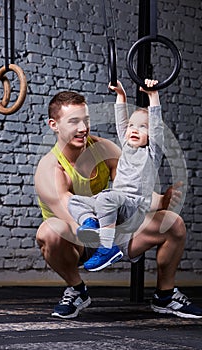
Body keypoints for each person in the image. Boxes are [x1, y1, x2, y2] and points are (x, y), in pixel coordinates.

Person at [34, 84, 202, 320]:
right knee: (49, 231)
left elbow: (132, 188)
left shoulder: (103, 149)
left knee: (173, 223)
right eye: (74, 121)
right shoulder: (49, 168)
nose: (83, 128)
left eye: (85, 120)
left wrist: (162, 201)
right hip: (78, 239)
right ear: (54, 125)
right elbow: (68, 215)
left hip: (113, 227)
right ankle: (77, 290)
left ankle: (165, 296)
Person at [68, 79, 164, 272]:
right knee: (75, 202)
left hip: (133, 207)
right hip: (115, 203)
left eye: (143, 127)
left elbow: (157, 129)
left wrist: (153, 96)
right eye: (132, 126)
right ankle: (92, 224)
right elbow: (121, 122)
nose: (134, 129)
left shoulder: (152, 153)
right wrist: (121, 96)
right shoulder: (127, 146)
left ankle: (107, 248)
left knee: (106, 197)